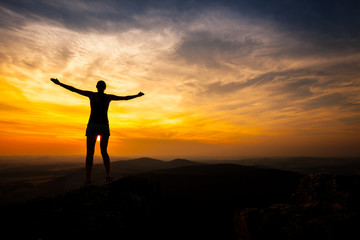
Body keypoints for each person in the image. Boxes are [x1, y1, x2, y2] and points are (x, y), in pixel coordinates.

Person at [51, 78, 144, 185]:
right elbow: (125, 98)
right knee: (104, 151)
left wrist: (59, 83)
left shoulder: (92, 95)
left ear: (97, 87)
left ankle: (88, 179)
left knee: (90, 153)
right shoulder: (108, 97)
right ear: (104, 88)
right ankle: (108, 176)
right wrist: (137, 95)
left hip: (93, 126)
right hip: (103, 126)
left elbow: (74, 89)